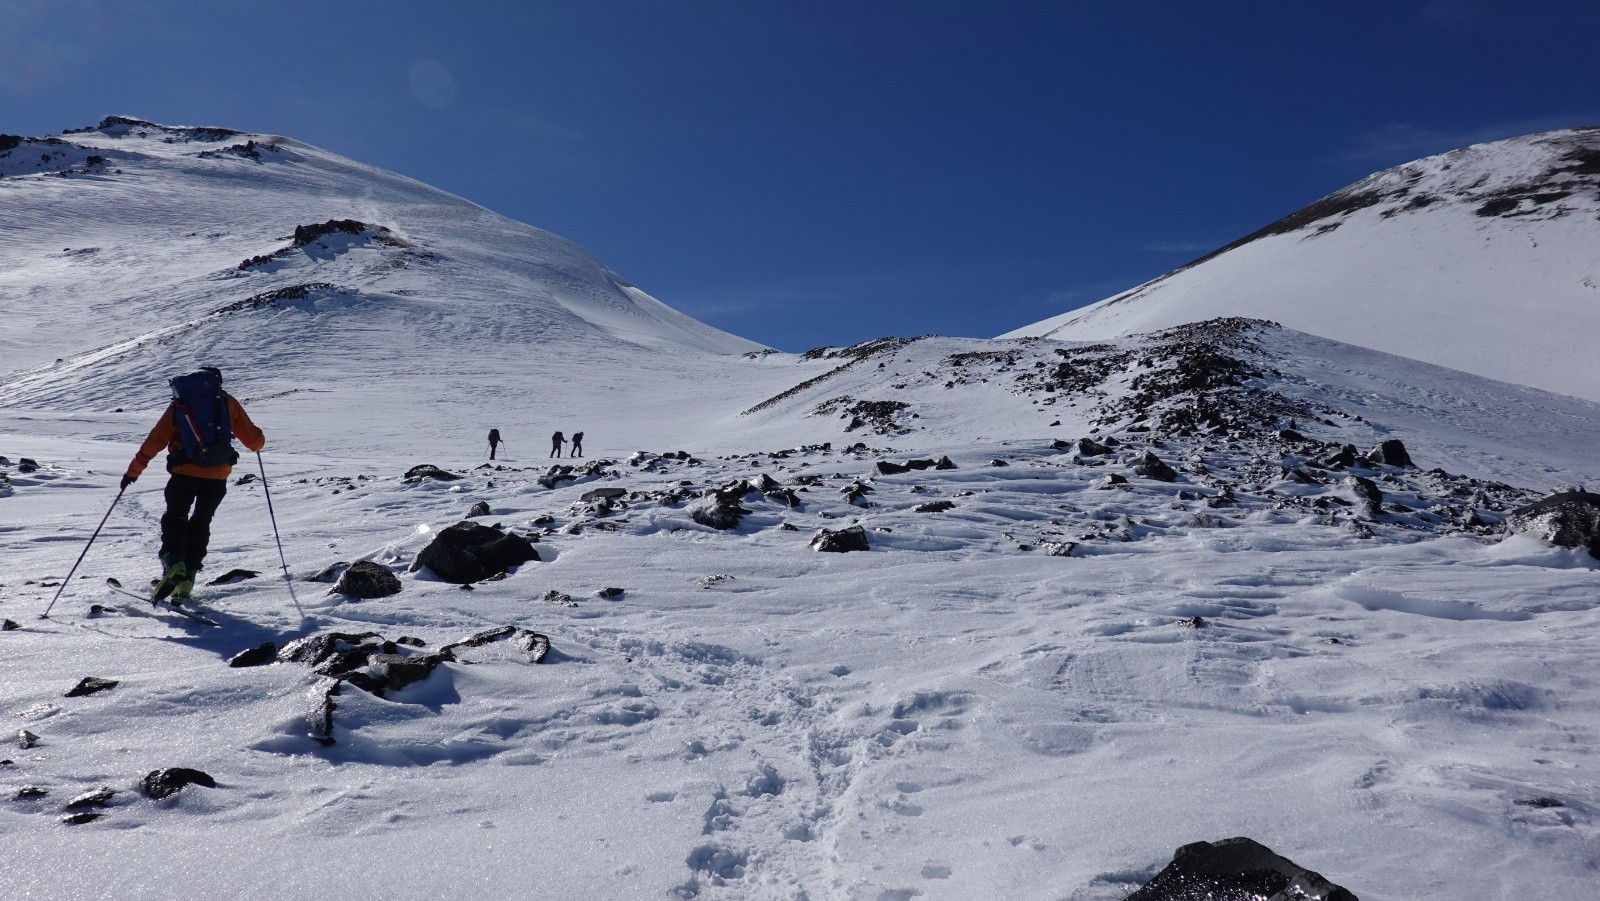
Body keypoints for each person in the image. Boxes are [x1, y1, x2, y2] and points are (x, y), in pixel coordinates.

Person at [121, 367, 264, 600]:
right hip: (217, 476)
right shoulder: (227, 402)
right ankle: (187, 578)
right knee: (201, 521)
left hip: (184, 473)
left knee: (175, 517)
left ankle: (174, 564)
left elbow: (155, 439)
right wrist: (257, 439)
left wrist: (133, 472)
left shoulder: (181, 404)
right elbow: (255, 442)